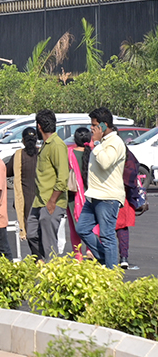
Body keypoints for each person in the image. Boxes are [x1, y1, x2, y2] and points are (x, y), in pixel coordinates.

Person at [76, 107, 126, 269]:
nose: (91, 128)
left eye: (94, 125)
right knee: (82, 229)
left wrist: (96, 143)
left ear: (104, 126)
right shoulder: (104, 142)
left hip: (108, 198)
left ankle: (112, 275)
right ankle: (106, 258)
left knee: (107, 236)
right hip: (94, 195)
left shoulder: (115, 142)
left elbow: (105, 162)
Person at [26, 110, 68, 261]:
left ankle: (53, 274)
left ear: (39, 127)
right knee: (31, 233)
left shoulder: (57, 145)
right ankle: (42, 263)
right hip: (39, 200)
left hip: (51, 201)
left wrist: (52, 201)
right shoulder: (45, 144)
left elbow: (63, 177)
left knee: (49, 242)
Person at [8, 127, 39, 240]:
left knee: (29, 230)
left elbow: (7, 171)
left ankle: (36, 256)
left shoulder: (18, 155)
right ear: (36, 139)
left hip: (25, 200)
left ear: (23, 140)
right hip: (41, 198)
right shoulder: (41, 153)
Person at [66, 127, 92, 260]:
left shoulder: (69, 153)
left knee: (74, 226)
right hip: (91, 195)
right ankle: (90, 249)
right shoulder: (93, 153)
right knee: (92, 223)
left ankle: (78, 255)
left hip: (74, 196)